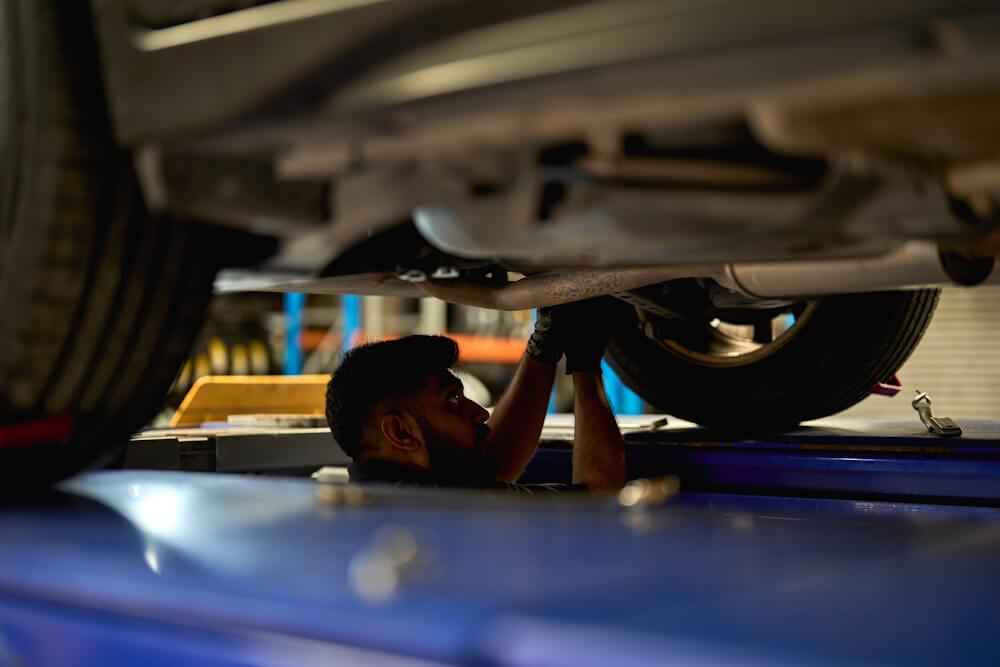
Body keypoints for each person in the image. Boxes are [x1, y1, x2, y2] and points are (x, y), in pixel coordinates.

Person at [324, 299, 627, 491]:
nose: (481, 412)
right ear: (400, 431)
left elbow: (495, 465)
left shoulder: (377, 494)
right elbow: (598, 498)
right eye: (452, 400)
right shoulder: (446, 508)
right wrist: (586, 364)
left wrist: (543, 346)